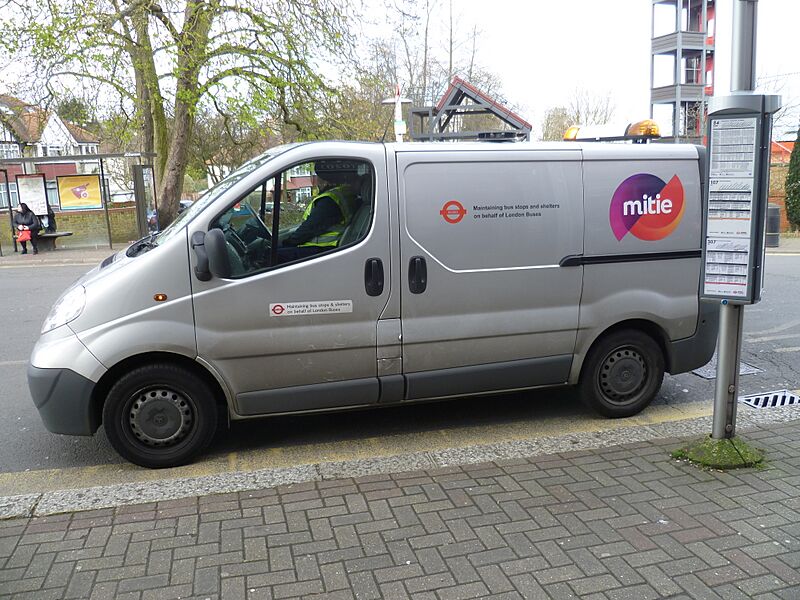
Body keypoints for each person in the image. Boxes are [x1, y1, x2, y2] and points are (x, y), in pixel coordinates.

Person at [278, 161, 360, 262]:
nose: (315, 180)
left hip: (323, 249)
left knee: (272, 255)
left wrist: (287, 243)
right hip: (330, 247)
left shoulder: (329, 200)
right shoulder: (345, 192)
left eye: (317, 176)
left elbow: (309, 228)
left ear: (325, 180)